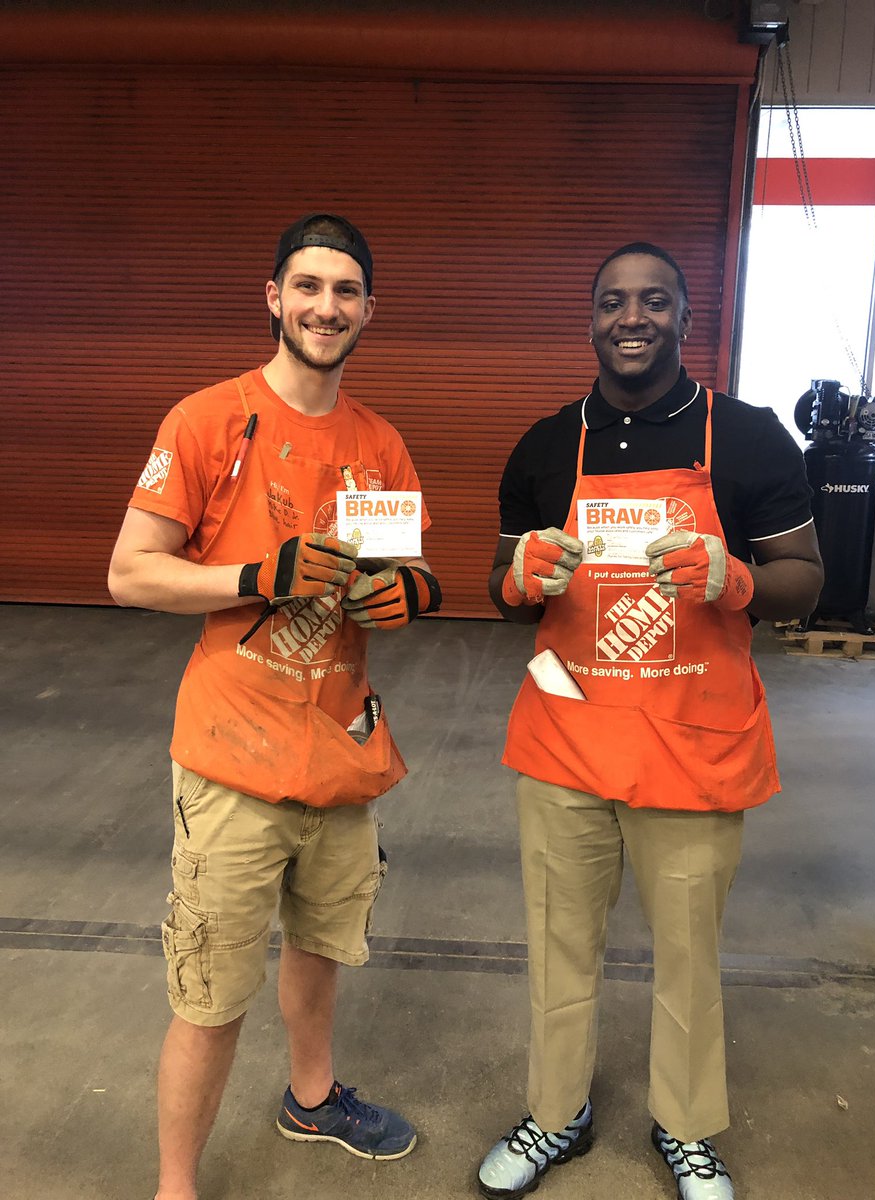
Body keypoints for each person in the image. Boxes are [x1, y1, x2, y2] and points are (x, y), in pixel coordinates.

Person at [477, 243, 823, 1200]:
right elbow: (503, 588)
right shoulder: (547, 445)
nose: (632, 318)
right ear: (591, 319)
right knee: (558, 947)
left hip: (692, 744)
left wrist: (734, 576)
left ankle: (687, 1127)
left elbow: (806, 580)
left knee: (688, 960)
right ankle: (557, 1114)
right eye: (613, 303)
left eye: (655, 301)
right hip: (566, 743)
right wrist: (518, 578)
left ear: (684, 317)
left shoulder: (747, 438)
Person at [108, 213, 441, 1200]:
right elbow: (132, 572)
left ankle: (312, 1097)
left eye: (345, 291)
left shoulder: (379, 443)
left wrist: (406, 594)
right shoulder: (208, 421)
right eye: (308, 286)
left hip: (340, 753)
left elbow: (410, 570)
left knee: (320, 946)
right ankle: (176, 1185)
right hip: (231, 759)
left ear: (368, 310)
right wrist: (260, 575)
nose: (325, 307)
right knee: (211, 991)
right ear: (274, 297)